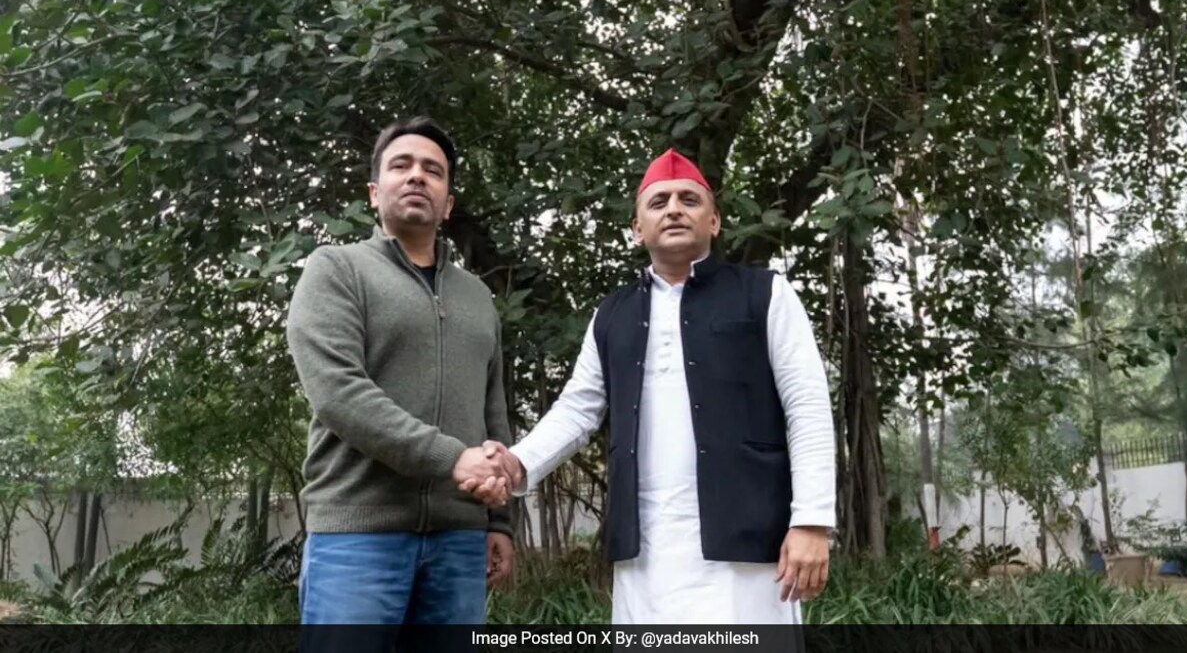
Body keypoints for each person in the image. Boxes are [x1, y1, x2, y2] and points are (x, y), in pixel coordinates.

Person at [465, 148, 836, 624]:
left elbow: (807, 405)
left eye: (689, 200)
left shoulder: (765, 294)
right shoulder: (612, 315)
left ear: (715, 221)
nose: (674, 209)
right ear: (638, 229)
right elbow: (578, 410)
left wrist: (811, 521)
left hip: (747, 547)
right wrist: (517, 463)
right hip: (646, 552)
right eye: (659, 202)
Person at [286, 117, 515, 638]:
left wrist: (499, 522)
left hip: (461, 539)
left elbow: (493, 410)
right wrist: (451, 458)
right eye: (401, 166)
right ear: (375, 192)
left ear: (448, 204)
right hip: (357, 536)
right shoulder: (336, 270)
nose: (417, 176)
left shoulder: (478, 297)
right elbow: (338, 393)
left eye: (432, 170)